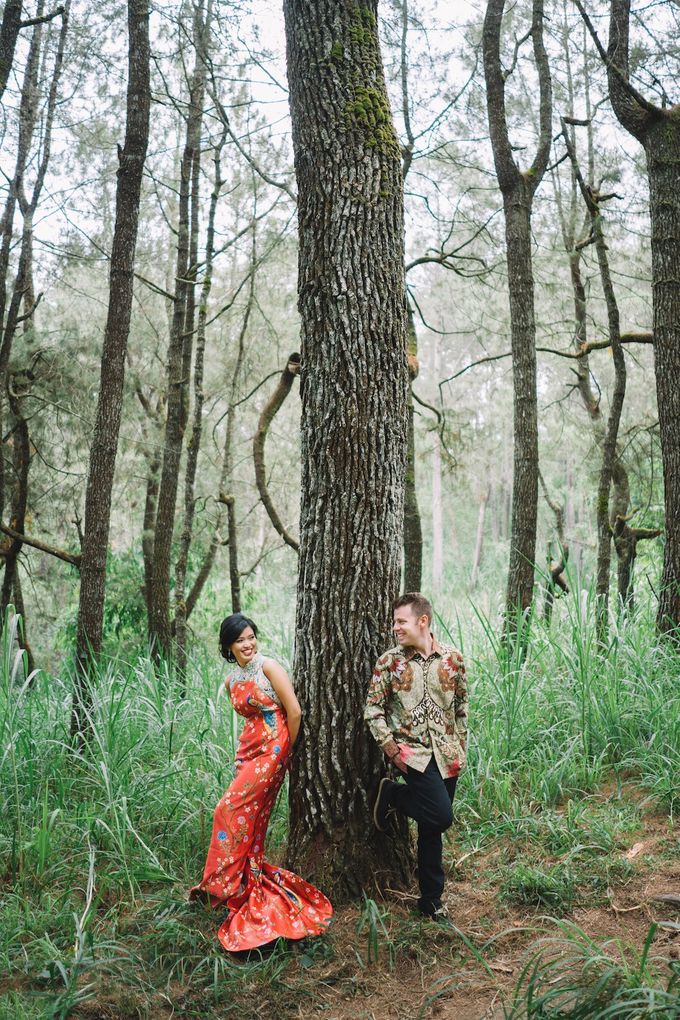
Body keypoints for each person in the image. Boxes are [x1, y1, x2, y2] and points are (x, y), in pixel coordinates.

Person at [190, 612, 333, 952]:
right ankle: (241, 880)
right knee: (249, 820)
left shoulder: (269, 667)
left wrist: (284, 752)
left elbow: (293, 711)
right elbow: (248, 719)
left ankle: (222, 884)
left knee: (226, 810)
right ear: (229, 646)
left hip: (274, 749)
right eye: (241, 640)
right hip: (250, 752)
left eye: (251, 636)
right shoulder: (231, 682)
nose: (249, 643)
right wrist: (245, 755)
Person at [364, 592, 468, 923]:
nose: (395, 627)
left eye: (401, 621)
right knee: (441, 816)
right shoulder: (390, 662)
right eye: (395, 621)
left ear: (422, 621)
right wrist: (392, 750)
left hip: (448, 754)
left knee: (430, 828)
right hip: (414, 755)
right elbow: (372, 709)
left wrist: (461, 745)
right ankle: (393, 793)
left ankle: (431, 899)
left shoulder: (453, 659)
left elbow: (462, 706)